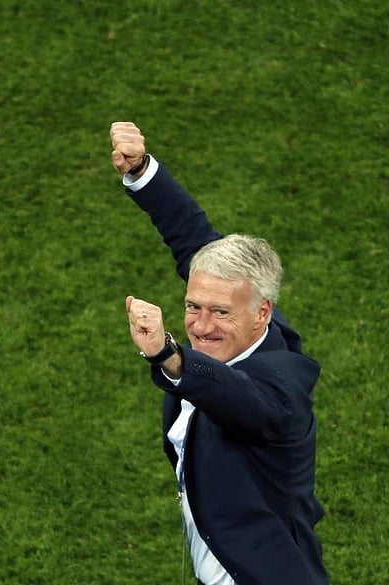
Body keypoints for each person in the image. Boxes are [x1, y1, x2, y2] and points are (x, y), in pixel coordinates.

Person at [111, 121, 329, 585]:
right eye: (192, 306)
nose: (201, 326)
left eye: (219, 312)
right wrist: (143, 171)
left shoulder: (281, 392)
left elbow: (239, 400)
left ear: (261, 312)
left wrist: (170, 357)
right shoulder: (251, 315)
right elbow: (192, 237)